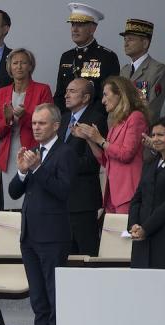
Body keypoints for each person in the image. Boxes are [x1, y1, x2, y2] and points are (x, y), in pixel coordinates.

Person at [9, 103, 77, 325]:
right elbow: (14, 192)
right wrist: (22, 172)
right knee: (38, 303)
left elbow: (63, 191)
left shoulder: (65, 152)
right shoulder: (34, 152)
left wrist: (37, 168)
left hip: (53, 238)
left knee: (54, 300)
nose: (36, 127)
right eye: (34, 123)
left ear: (56, 126)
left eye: (42, 123)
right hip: (29, 237)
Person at [72, 76, 148, 214]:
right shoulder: (116, 123)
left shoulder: (136, 117)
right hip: (112, 194)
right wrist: (90, 139)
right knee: (111, 235)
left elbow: (126, 154)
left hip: (127, 193)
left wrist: (100, 139)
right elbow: (106, 161)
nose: (103, 100)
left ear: (120, 94)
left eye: (106, 95)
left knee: (124, 235)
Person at [0, 49, 53, 210]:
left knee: (32, 203)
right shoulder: (1, 93)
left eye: (23, 62)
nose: (19, 66)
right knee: (12, 205)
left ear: (30, 66)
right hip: (9, 154)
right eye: (15, 63)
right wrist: (8, 119)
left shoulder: (43, 89)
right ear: (9, 67)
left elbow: (48, 125)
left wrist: (25, 116)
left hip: (33, 154)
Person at [59, 78, 106, 255]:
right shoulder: (63, 119)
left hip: (82, 199)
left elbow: (93, 162)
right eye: (66, 90)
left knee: (87, 254)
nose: (66, 94)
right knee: (66, 256)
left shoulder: (96, 120)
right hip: (61, 199)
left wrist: (60, 163)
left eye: (72, 91)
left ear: (86, 97)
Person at [128, 116, 165, 270]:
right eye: (153, 135)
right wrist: (134, 225)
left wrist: (147, 228)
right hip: (142, 241)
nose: (156, 139)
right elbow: (137, 198)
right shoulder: (150, 163)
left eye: (161, 135)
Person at [53, 3, 120, 109]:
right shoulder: (66, 57)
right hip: (68, 120)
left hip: (94, 121)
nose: (74, 29)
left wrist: (88, 119)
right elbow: (59, 95)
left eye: (80, 25)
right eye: (73, 24)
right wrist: (64, 120)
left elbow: (110, 96)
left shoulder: (107, 57)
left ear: (92, 29)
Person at [118, 19, 165, 120]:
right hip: (120, 129)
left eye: (130, 39)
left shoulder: (157, 70)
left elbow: (153, 108)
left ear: (145, 43)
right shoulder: (124, 70)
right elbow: (115, 103)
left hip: (142, 130)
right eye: (125, 39)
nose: (125, 44)